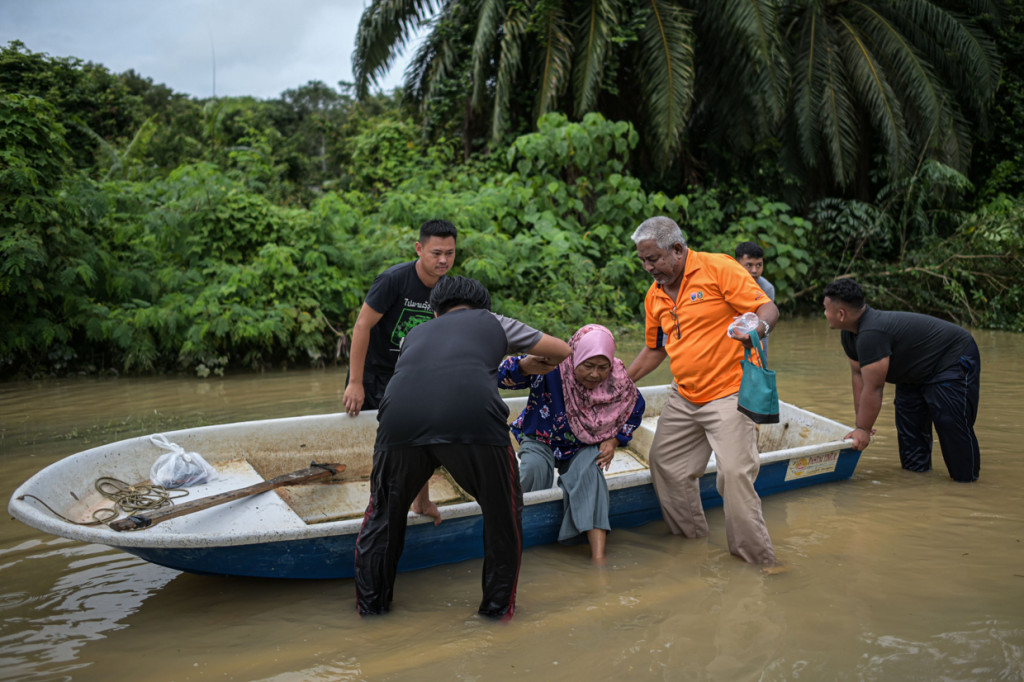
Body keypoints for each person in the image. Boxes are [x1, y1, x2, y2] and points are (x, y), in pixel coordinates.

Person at [353, 276, 571, 620]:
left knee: (382, 516)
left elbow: (427, 402)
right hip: (473, 420)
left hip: (398, 421)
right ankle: (496, 614)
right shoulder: (492, 321)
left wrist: (421, 501)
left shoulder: (415, 334)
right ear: (482, 306)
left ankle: (371, 610)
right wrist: (524, 365)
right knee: (503, 515)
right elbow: (561, 350)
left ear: (435, 312)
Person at [626, 216, 779, 566]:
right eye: (643, 260)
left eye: (654, 259)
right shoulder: (654, 296)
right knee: (666, 464)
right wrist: (621, 382)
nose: (648, 267)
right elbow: (655, 348)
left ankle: (757, 564)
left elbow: (766, 307)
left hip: (729, 391)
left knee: (735, 475)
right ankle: (692, 547)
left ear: (678, 249)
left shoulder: (717, 268)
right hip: (684, 396)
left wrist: (757, 327)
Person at [498, 324, 646, 564]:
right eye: (588, 365)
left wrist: (614, 439)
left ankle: (598, 559)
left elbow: (635, 408)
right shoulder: (551, 365)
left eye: (603, 367)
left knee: (592, 472)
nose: (595, 375)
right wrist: (524, 366)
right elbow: (500, 377)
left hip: (583, 444)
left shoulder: (617, 378)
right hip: (541, 436)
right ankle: (515, 537)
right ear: (576, 356)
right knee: (533, 469)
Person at [822, 278, 981, 482]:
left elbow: (875, 386)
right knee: (910, 430)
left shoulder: (871, 333)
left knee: (950, 424)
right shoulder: (849, 334)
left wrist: (863, 428)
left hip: (950, 359)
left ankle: (966, 485)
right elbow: (858, 375)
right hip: (912, 372)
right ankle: (917, 483)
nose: (824, 314)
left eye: (826, 309)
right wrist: (862, 423)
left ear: (841, 314)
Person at [342, 219, 457, 416]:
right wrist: (355, 383)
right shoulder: (393, 280)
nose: (443, 260)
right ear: (419, 249)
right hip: (374, 376)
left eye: (449, 253)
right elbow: (362, 326)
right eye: (436, 253)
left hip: (413, 376)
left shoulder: (449, 290)